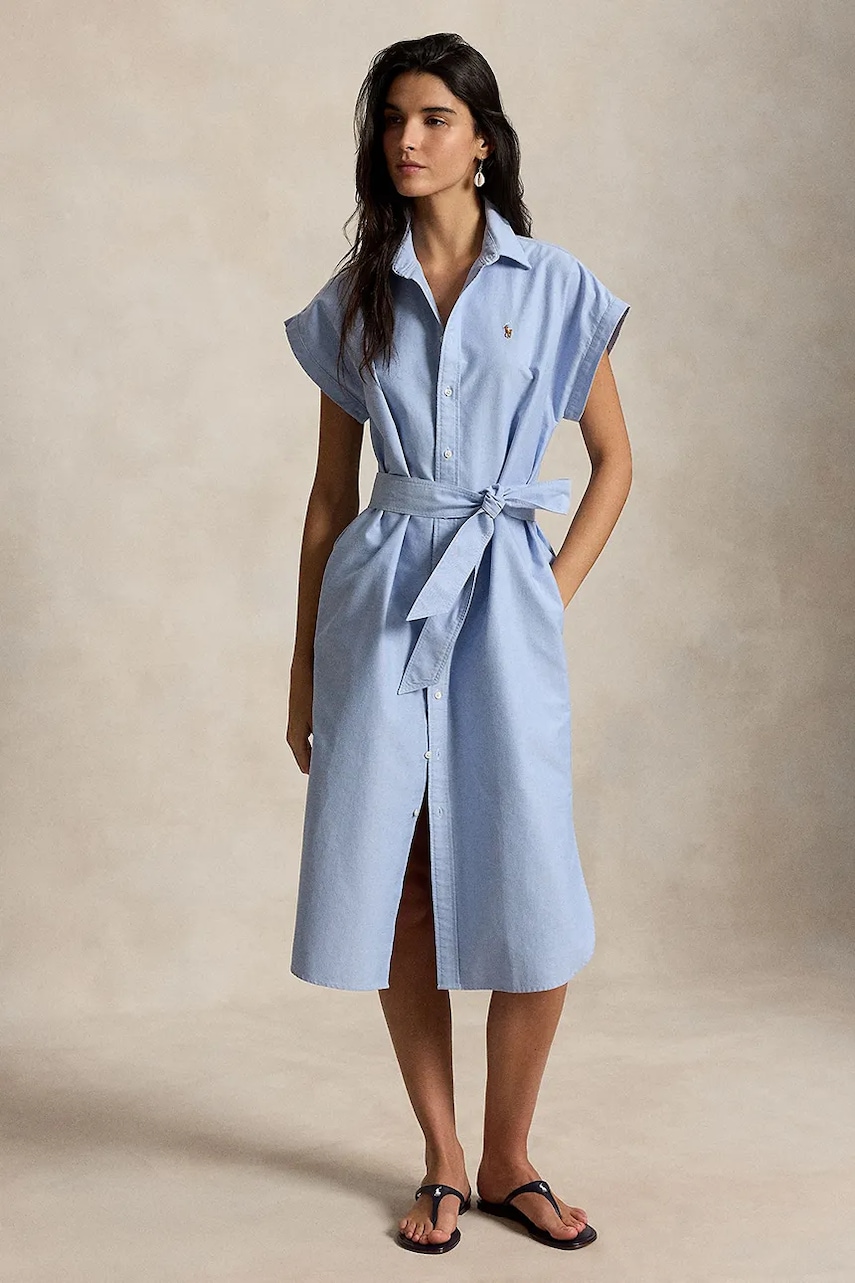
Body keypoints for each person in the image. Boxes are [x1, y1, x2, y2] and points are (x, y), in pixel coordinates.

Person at [283, 33, 631, 1256]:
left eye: (433, 117)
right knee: (404, 882)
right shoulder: (357, 297)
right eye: (392, 119)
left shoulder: (557, 286)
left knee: (530, 877)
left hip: (502, 600)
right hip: (380, 605)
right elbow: (329, 499)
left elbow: (614, 461)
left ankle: (509, 1156)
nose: (407, 139)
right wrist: (303, 667)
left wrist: (547, 589)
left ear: (484, 139)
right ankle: (441, 1156)